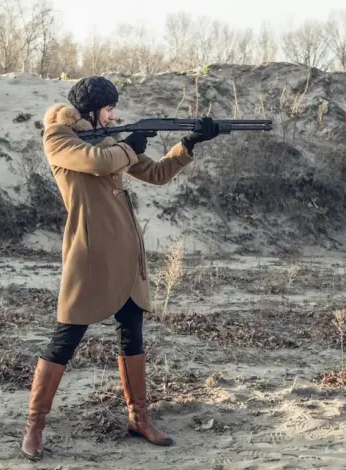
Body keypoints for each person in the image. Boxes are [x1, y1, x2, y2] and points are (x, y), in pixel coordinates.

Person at [20, 76, 219, 461]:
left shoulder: (113, 141)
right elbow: (96, 163)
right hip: (89, 255)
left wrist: (189, 144)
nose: (114, 115)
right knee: (66, 338)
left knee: (132, 333)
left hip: (127, 254)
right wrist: (129, 145)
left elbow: (157, 174)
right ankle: (34, 426)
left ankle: (139, 419)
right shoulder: (58, 138)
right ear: (92, 110)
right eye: (109, 109)